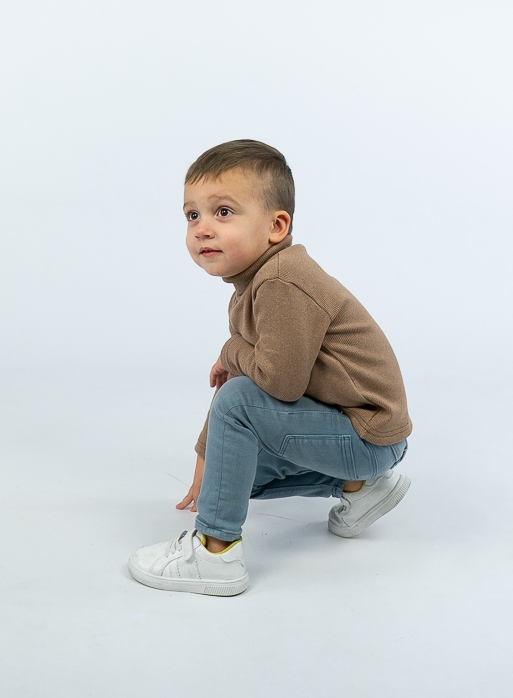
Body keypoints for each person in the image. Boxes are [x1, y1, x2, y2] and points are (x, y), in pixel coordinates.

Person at [128, 139, 412, 596]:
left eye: (223, 212)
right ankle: (360, 488)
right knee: (234, 476)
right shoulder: (255, 284)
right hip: (356, 435)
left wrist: (231, 350)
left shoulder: (283, 281)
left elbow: (275, 384)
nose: (202, 229)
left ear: (276, 226)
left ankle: (215, 552)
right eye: (192, 215)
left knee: (240, 408)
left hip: (367, 434)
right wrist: (206, 458)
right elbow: (246, 382)